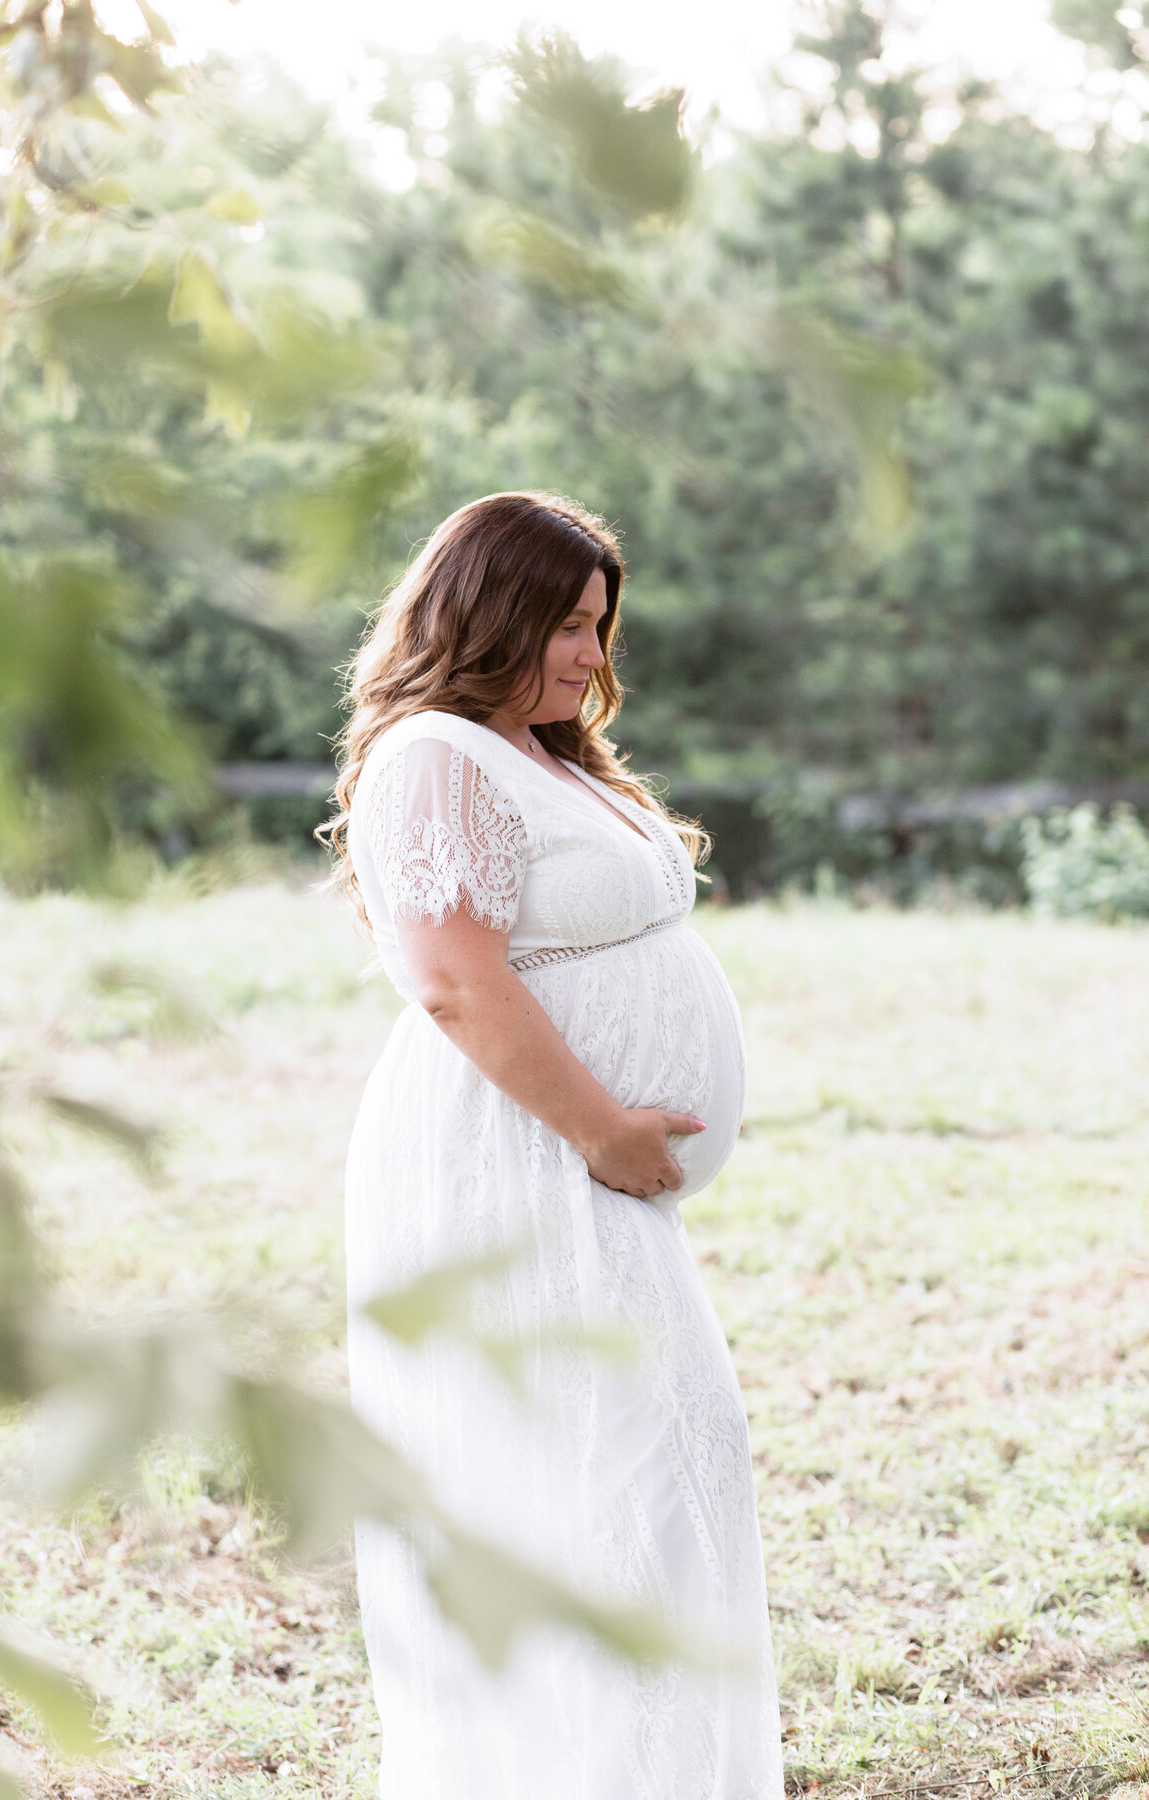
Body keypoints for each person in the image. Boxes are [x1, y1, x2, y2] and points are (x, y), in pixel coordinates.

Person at [321, 490, 783, 1799]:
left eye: (597, 627)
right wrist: (599, 1128)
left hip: (588, 1170)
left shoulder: (542, 752)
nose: (590, 656)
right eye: (566, 626)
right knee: (605, 1482)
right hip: (512, 1160)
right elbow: (452, 978)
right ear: (487, 615)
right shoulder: (432, 757)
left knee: (661, 1477)